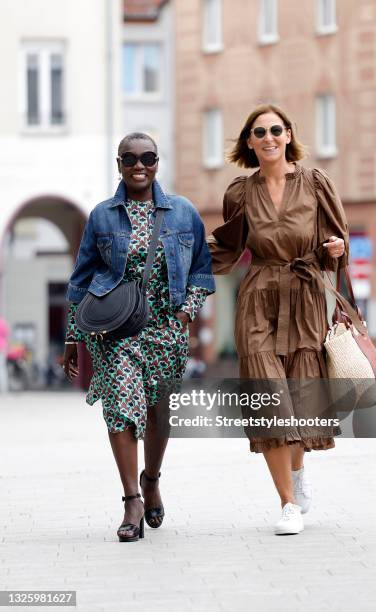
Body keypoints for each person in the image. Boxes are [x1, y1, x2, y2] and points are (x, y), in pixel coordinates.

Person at [63, 132, 215, 542]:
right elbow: (80, 280)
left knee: (157, 415)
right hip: (117, 332)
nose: (138, 165)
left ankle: (151, 480)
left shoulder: (183, 213)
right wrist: (72, 338)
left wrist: (186, 312)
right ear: (119, 164)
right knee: (120, 407)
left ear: (158, 161)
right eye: (129, 158)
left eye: (147, 157)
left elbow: (202, 269)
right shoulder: (102, 215)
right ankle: (131, 499)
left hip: (167, 330)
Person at [207, 104, 348, 535]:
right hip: (258, 297)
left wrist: (335, 249)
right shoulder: (239, 192)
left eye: (275, 130)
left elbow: (332, 243)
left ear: (288, 135)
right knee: (270, 397)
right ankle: (287, 503)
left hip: (304, 296)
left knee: (302, 400)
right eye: (258, 132)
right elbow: (227, 245)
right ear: (249, 142)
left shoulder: (316, 183)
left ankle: (298, 473)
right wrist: (175, 262)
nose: (268, 137)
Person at [0, 317, 9, 393]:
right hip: (2, 347)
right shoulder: (2, 321)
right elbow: (6, 334)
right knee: (2, 368)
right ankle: (4, 389)